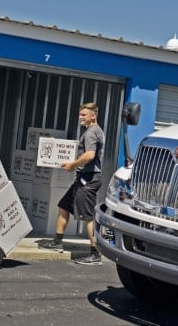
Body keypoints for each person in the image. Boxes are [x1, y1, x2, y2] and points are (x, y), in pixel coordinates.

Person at [38, 102, 105, 266]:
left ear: (93, 116)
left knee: (88, 217)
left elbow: (89, 155)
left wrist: (72, 165)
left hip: (89, 179)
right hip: (82, 178)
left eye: (84, 114)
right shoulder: (91, 132)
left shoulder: (91, 132)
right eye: (80, 114)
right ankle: (57, 242)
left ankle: (95, 254)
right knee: (64, 206)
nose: (80, 117)